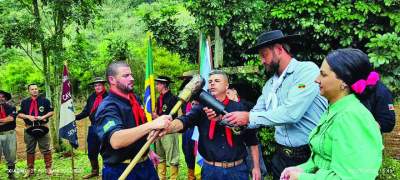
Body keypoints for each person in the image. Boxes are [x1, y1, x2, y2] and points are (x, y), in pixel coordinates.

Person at [217, 30, 328, 179]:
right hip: (281, 157)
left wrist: (248, 117)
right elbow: (256, 112)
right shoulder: (270, 85)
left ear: (279, 49)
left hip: (310, 156)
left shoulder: (306, 71)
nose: (262, 61)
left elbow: (291, 113)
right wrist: (227, 118)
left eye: (264, 55)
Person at [280, 48, 383, 180]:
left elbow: (351, 177)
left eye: (323, 74)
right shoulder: (334, 109)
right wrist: (301, 169)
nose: (316, 80)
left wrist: (301, 177)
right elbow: (323, 159)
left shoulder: (350, 117)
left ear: (344, 82)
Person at [161, 70, 262, 180]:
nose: (212, 83)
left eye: (217, 81)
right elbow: (184, 121)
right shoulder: (201, 109)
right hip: (211, 170)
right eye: (210, 81)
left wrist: (256, 167)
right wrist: (167, 127)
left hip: (237, 170)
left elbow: (252, 141)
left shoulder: (240, 108)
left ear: (227, 85)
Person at [95, 61, 172, 180]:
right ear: (112, 80)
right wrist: (152, 124)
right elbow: (116, 140)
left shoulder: (134, 99)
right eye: (126, 76)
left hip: (145, 165)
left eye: (131, 74)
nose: (132, 78)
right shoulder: (108, 106)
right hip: (121, 169)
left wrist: (147, 152)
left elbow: (138, 129)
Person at [226, 86, 268, 179]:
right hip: (237, 143)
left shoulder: (247, 104)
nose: (226, 95)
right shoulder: (226, 107)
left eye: (228, 93)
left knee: (257, 168)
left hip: (250, 140)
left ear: (234, 91)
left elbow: (258, 118)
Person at [17, 84, 54, 177]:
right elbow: (19, 114)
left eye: (36, 89)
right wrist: (28, 116)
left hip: (43, 127)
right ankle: (30, 169)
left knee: (46, 148)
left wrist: (43, 117)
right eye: (32, 89)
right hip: (29, 128)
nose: (34, 90)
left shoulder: (45, 101)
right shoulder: (25, 102)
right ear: (29, 91)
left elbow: (51, 111)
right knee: (30, 149)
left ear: (38, 90)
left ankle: (48, 168)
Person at [75, 77, 108, 179]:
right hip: (94, 127)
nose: (97, 87)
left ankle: (106, 171)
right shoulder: (91, 97)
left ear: (103, 85)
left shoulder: (109, 96)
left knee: (106, 150)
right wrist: (75, 117)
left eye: (99, 85)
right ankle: (94, 171)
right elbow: (86, 111)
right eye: (95, 85)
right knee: (91, 151)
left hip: (106, 127)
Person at [152, 76, 180, 180]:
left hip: (169, 131)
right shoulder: (159, 98)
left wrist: (157, 117)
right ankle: (161, 177)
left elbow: (173, 117)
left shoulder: (173, 98)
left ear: (164, 85)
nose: (156, 86)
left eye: (158, 84)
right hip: (158, 132)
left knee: (173, 157)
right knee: (160, 156)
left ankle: (173, 178)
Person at [178, 70, 197, 180]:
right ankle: (191, 176)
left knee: (197, 154)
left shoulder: (200, 93)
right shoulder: (183, 92)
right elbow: (181, 112)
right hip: (187, 127)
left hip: (197, 127)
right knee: (187, 152)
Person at [0, 90, 17, 179]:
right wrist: (4, 120)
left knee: (11, 155)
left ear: (5, 98)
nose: (0, 98)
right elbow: (7, 119)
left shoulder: (11, 107)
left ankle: (11, 174)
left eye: (2, 97)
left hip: (9, 133)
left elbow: (10, 119)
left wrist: (5, 120)